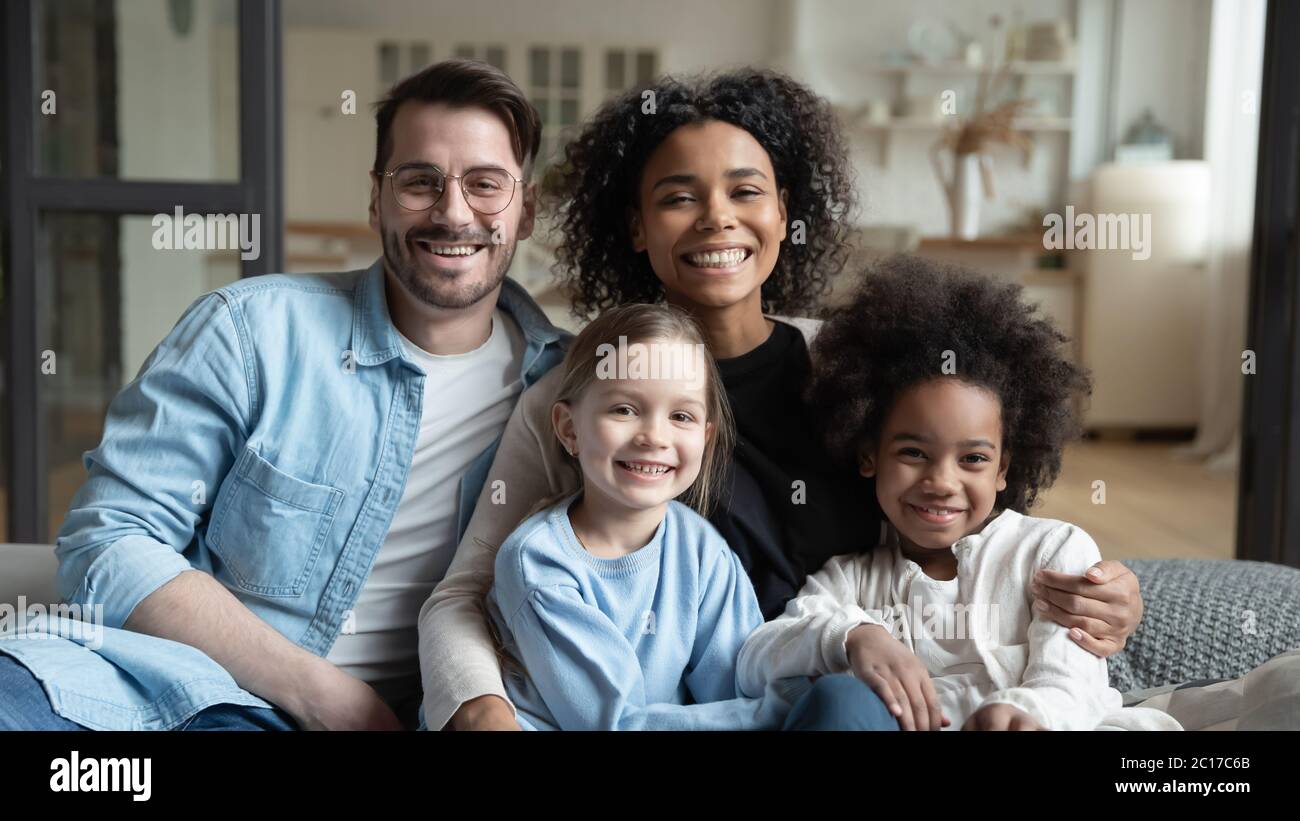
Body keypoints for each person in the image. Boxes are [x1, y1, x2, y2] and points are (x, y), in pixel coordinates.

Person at [419, 69, 1145, 732]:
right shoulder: (580, 391)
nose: (715, 218)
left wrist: (1105, 599)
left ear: (783, 210)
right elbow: (468, 590)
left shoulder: (861, 366)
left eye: (745, 191)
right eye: (677, 197)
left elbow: (972, 507)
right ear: (636, 225)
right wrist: (482, 709)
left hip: (852, 698)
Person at [0, 59, 566, 731]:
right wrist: (324, 694)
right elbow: (109, 538)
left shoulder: (569, 388)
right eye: (418, 181)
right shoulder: (249, 331)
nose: (452, 211)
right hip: (180, 684)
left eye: (485, 184)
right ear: (375, 199)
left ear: (525, 209)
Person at [737, 258, 1181, 732]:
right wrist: (851, 636)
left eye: (972, 459)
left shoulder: (1050, 553)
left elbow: (1072, 682)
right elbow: (754, 660)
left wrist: (1025, 713)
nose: (942, 481)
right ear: (869, 456)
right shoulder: (850, 580)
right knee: (836, 699)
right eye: (913, 452)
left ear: (1004, 468)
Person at [486, 303, 787, 730]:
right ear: (569, 429)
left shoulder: (702, 550)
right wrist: (787, 709)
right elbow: (614, 723)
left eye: (681, 416)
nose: (653, 437)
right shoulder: (537, 561)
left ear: (705, 438)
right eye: (624, 409)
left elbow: (737, 685)